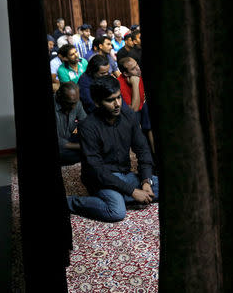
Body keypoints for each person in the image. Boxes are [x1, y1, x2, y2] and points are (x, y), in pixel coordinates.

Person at [66, 75, 159, 222]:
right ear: (97, 102)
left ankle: (121, 196)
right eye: (110, 100)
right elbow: (97, 170)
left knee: (166, 188)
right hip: (101, 179)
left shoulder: (128, 115)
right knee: (116, 211)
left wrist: (146, 181)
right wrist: (132, 191)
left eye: (119, 97)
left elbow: (142, 150)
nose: (117, 104)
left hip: (125, 174)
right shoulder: (87, 127)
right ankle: (70, 202)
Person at [117, 57, 155, 154]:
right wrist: (135, 84)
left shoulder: (141, 74)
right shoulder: (120, 83)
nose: (138, 69)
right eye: (133, 68)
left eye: (137, 65)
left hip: (143, 110)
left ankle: (155, 154)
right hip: (128, 116)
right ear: (125, 73)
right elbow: (133, 110)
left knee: (147, 115)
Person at [54, 82, 87, 166]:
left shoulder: (76, 103)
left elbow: (85, 123)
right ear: (59, 97)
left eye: (76, 102)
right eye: (70, 103)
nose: (73, 107)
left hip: (69, 138)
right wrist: (81, 146)